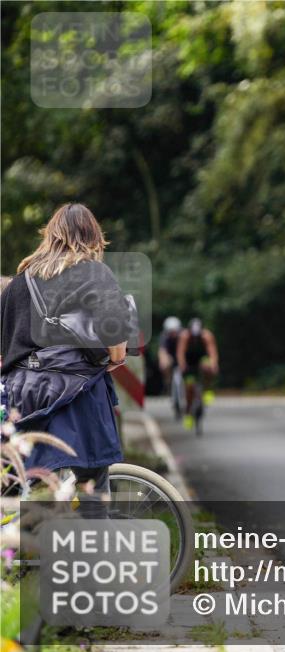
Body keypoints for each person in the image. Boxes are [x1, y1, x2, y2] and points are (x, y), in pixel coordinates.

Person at [0, 203, 133, 515]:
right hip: (77, 394)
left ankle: (32, 539)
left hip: (23, 396)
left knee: (33, 482)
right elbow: (116, 345)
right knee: (92, 481)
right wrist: (114, 358)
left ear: (50, 235)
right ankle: (90, 543)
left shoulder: (19, 283)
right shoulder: (94, 274)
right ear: (93, 237)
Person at [175, 317, 219, 429]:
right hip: (189, 362)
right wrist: (182, 365)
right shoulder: (184, 336)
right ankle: (188, 414)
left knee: (208, 367)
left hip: (201, 359)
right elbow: (180, 353)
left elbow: (212, 352)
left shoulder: (207, 336)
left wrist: (213, 365)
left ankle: (207, 390)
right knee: (189, 387)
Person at [158, 316, 182, 391]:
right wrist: (163, 362)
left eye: (174, 331)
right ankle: (168, 384)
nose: (173, 334)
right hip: (171, 357)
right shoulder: (163, 337)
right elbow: (162, 351)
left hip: (181, 356)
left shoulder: (183, 336)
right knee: (165, 364)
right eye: (170, 332)